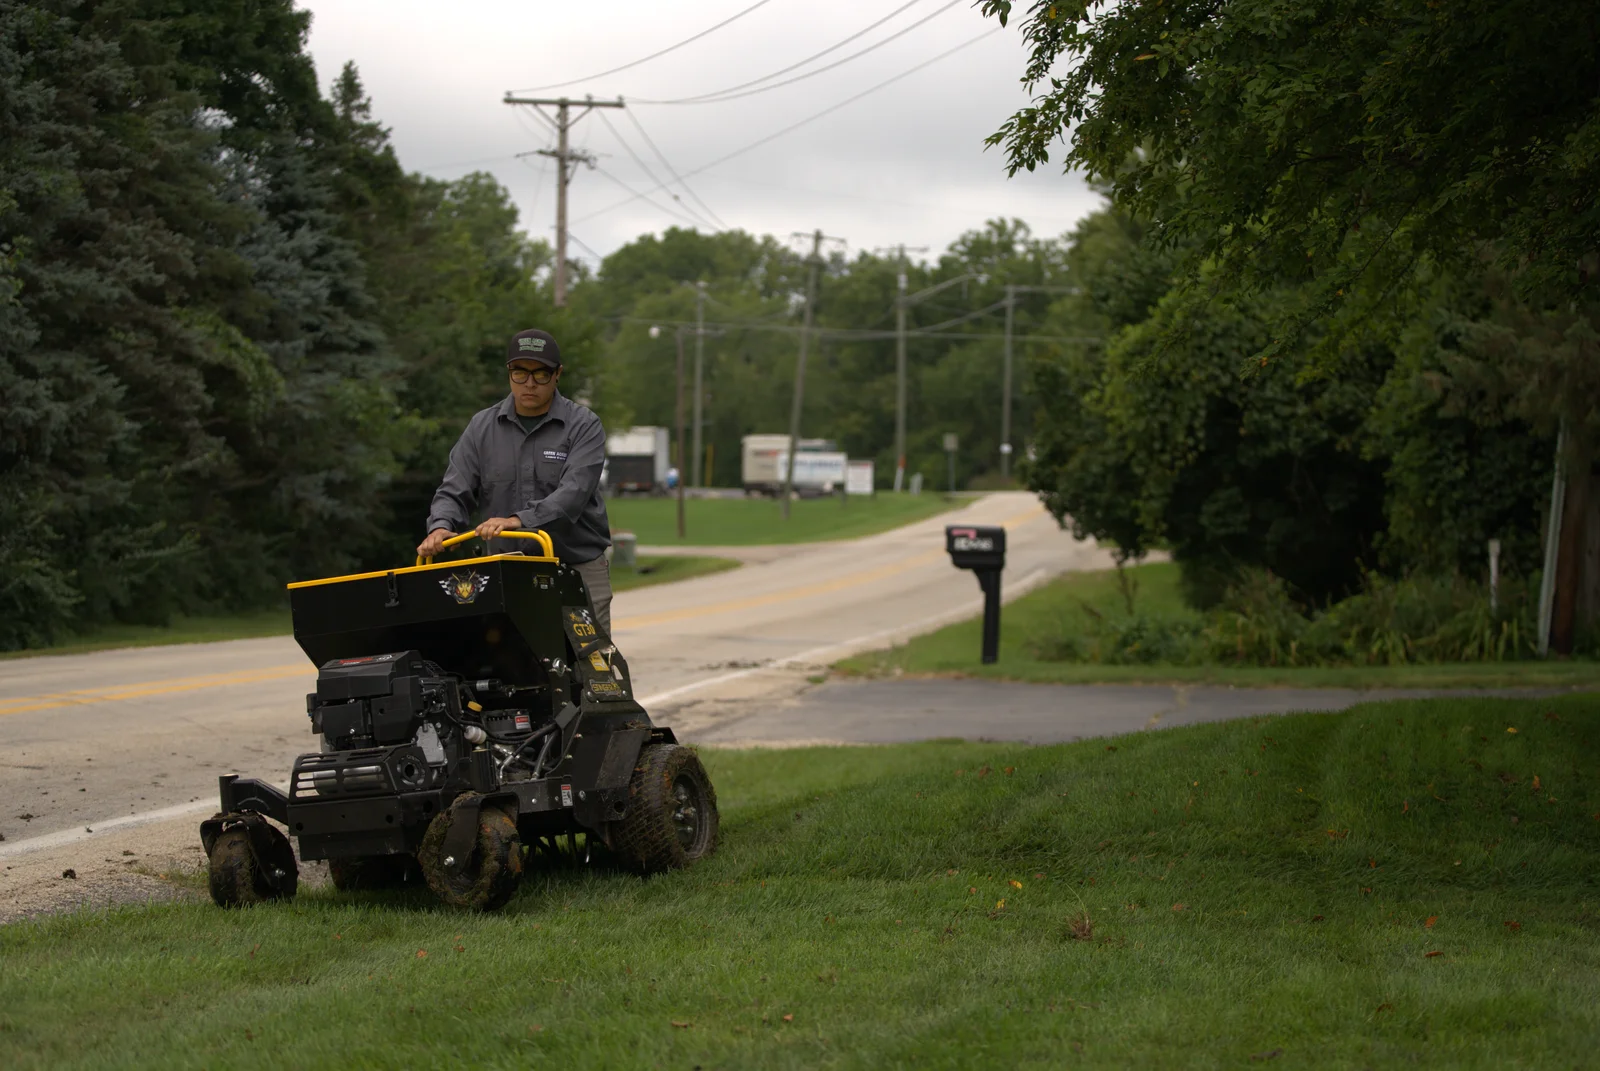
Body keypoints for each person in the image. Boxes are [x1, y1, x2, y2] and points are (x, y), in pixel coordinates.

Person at [417, 328, 615, 633]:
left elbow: (573, 493)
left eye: (541, 374)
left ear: (558, 374)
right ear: (509, 373)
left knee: (592, 667)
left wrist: (518, 520)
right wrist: (441, 526)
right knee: (510, 668)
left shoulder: (584, 425)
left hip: (576, 567)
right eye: (520, 373)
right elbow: (454, 488)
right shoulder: (482, 427)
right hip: (505, 571)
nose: (530, 383)